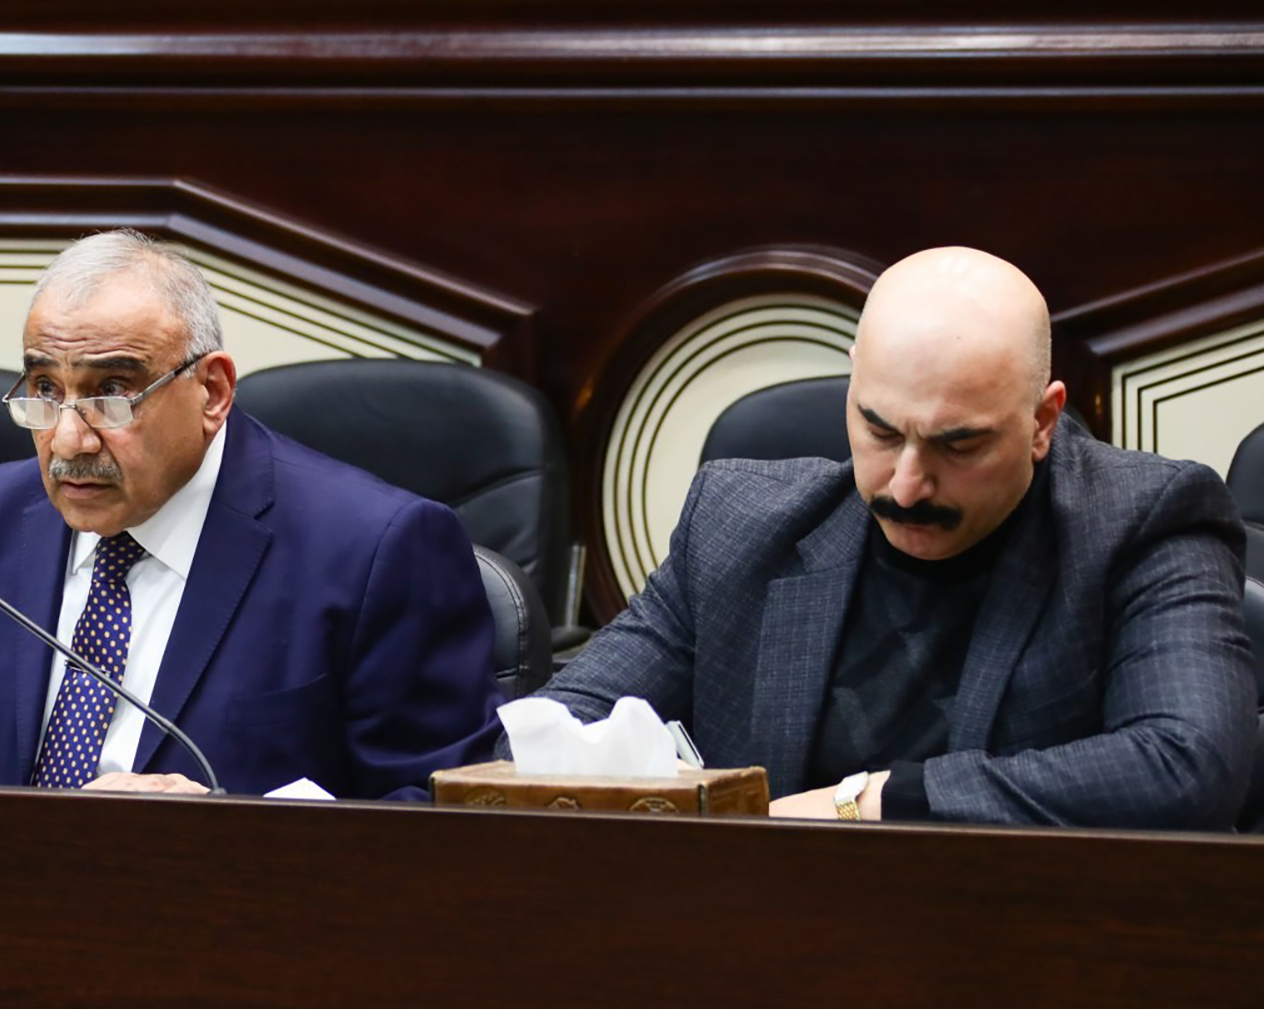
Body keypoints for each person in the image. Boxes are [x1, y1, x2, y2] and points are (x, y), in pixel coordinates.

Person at [536, 246, 1255, 829]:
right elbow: (544, 739)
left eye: (958, 445)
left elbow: (1189, 767)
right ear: (852, 387)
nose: (905, 486)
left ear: (1042, 421)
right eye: (879, 431)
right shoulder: (737, 523)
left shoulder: (1145, 521)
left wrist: (874, 800)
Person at [0, 229, 502, 798]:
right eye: (46, 391)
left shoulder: (374, 549)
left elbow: (433, 816)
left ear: (212, 391)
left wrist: (220, 836)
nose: (69, 441)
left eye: (112, 392)